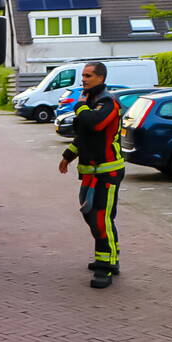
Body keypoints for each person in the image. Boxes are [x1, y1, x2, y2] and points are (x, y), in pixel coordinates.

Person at [58, 61, 124, 289]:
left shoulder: (108, 102)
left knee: (100, 219)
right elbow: (83, 134)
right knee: (92, 217)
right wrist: (68, 155)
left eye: (88, 76)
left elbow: (94, 124)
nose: (83, 79)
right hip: (89, 173)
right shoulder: (90, 101)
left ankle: (104, 267)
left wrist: (80, 108)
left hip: (107, 172)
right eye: (82, 75)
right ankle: (110, 257)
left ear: (101, 78)